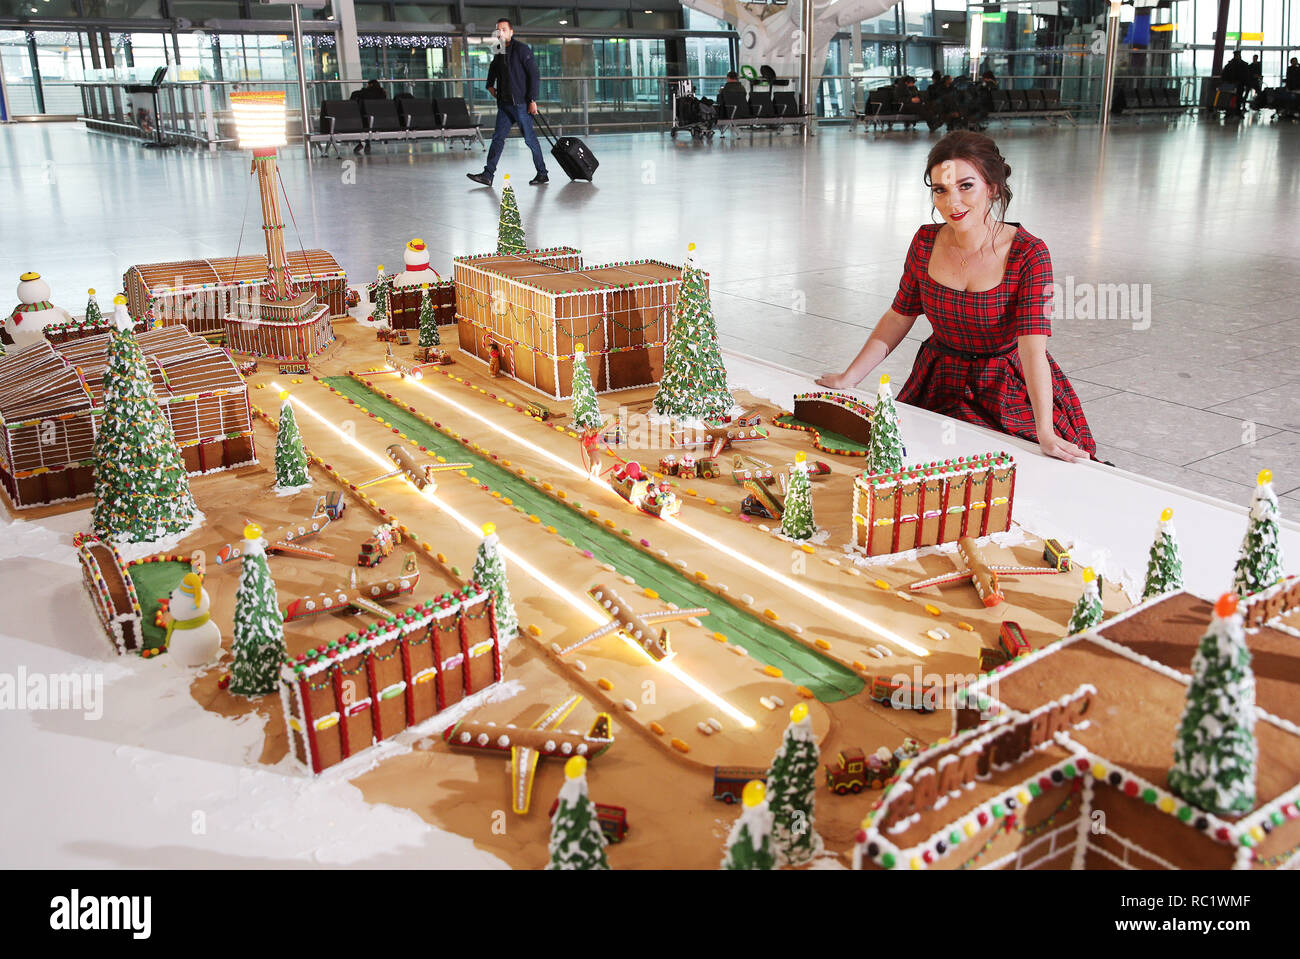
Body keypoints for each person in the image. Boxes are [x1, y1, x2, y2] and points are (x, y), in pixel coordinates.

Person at [816, 131, 1096, 463]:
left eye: (966, 186)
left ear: (991, 187)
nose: (953, 203)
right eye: (941, 190)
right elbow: (898, 316)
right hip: (939, 380)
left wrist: (1045, 432)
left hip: (1005, 387)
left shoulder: (1029, 253)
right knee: (913, 464)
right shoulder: (924, 241)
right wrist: (851, 377)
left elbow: (1032, 349)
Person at [468, 18, 548, 187]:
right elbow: (493, 68)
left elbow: (534, 75)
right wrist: (489, 85)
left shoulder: (522, 49)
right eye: (498, 30)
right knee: (497, 139)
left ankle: (542, 173)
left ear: (511, 31)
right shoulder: (498, 49)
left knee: (530, 140)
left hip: (521, 104)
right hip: (504, 105)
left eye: (504, 29)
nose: (500, 32)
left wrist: (532, 99)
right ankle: (488, 175)